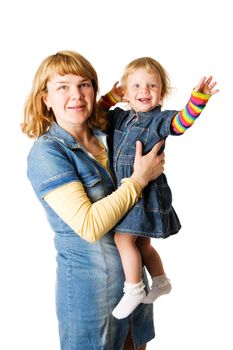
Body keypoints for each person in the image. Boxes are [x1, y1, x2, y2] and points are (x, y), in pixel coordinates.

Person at [21, 50, 166, 350]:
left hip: (133, 287)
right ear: (44, 97)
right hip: (91, 296)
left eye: (84, 84)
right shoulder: (47, 154)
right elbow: (89, 225)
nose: (76, 95)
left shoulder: (109, 130)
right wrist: (140, 178)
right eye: (62, 86)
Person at [99, 57, 219, 319]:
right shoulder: (119, 117)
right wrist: (110, 97)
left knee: (122, 238)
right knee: (141, 244)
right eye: (137, 86)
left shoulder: (159, 120)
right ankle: (161, 281)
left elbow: (181, 123)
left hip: (144, 194)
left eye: (152, 86)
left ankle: (133, 289)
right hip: (128, 190)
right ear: (126, 92)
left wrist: (198, 99)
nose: (144, 91)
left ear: (162, 92)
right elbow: (96, 117)